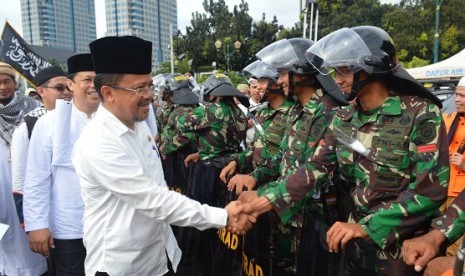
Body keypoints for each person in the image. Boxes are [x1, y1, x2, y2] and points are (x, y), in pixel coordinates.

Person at [240, 26, 449, 275]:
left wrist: (367, 227)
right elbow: (315, 168)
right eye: (335, 70)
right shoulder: (343, 117)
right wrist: (264, 201)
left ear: (372, 67)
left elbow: (429, 191)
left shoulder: (420, 114)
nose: (336, 78)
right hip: (353, 240)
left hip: (403, 247)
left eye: (345, 70)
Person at [72, 35, 254, 276]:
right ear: (108, 92)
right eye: (138, 88)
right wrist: (223, 216)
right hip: (121, 266)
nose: (149, 95)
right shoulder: (98, 142)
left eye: (149, 86)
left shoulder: (139, 125)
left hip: (158, 256)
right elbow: (153, 199)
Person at [24, 53, 98, 275]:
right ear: (71, 84)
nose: (94, 85)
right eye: (87, 79)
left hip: (112, 225)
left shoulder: (114, 119)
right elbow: (36, 177)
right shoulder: (48, 123)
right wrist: (36, 224)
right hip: (70, 225)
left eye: (99, 79)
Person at [402, 76, 465, 275]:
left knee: (455, 253)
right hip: (444, 194)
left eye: (463, 96)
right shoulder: (447, 119)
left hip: (459, 193)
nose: (458, 99)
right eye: (457, 94)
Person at [0, 61, 45, 275]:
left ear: (14, 82)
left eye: (6, 81)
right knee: (5, 227)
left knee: (27, 222)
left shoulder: (32, 108)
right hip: (1, 178)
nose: (2, 86)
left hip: (26, 175)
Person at [11, 66, 71, 228]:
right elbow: (21, 178)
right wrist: (32, 225)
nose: (66, 92)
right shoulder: (28, 126)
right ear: (41, 91)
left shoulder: (80, 119)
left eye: (69, 87)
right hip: (49, 215)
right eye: (59, 88)